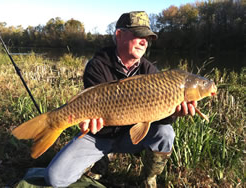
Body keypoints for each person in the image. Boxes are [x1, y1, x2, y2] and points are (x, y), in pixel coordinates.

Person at [44, 11, 197, 188]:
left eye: (147, 38)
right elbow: (89, 109)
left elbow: (159, 118)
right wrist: (88, 123)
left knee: (166, 132)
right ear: (119, 35)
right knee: (55, 178)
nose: (144, 41)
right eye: (139, 35)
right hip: (99, 135)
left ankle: (149, 178)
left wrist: (174, 113)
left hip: (131, 137)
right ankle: (102, 156)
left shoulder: (150, 71)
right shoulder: (97, 65)